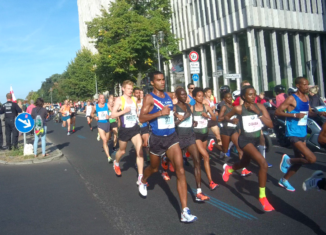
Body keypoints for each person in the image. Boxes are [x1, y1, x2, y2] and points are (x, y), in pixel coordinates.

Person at [139, 71, 197, 223]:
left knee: (181, 171)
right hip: (157, 139)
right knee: (153, 168)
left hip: (171, 137)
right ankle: (143, 180)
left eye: (163, 79)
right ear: (152, 82)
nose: (162, 82)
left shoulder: (170, 96)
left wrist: (175, 115)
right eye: (158, 80)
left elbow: (173, 110)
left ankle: (184, 211)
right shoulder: (149, 98)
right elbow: (141, 118)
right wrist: (159, 113)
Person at [222, 85, 275, 212]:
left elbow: (271, 124)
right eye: (250, 94)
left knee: (245, 163)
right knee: (263, 164)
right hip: (245, 140)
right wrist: (233, 120)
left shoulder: (260, 107)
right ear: (244, 97)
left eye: (254, 94)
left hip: (256, 140)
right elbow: (226, 117)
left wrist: (259, 113)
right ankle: (262, 197)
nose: (253, 96)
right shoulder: (238, 109)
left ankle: (229, 169)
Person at [275, 77, 324, 192]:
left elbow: (309, 113)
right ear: (298, 85)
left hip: (302, 132)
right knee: (311, 159)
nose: (307, 87)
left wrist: (319, 114)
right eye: (304, 85)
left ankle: (284, 180)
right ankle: (288, 160)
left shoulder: (306, 97)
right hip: (293, 133)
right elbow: (278, 112)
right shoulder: (292, 98)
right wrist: (294, 115)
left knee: (300, 160)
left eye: (307, 84)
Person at [174, 87, 210, 201]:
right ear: (177, 96)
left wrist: (192, 122)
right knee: (179, 168)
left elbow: (190, 120)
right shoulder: (174, 108)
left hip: (190, 137)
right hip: (178, 137)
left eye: (185, 94)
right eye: (182, 95)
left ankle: (199, 192)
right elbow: (171, 124)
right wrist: (182, 119)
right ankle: (165, 162)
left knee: (197, 161)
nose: (185, 96)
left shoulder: (189, 107)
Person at [111, 80, 144, 184]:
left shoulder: (134, 99)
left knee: (140, 151)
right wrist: (124, 111)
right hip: (124, 130)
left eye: (131, 89)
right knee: (122, 151)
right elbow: (113, 115)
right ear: (123, 89)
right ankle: (116, 163)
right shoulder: (119, 100)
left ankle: (140, 177)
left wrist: (139, 119)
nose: (130, 91)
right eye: (128, 89)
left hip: (134, 129)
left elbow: (136, 112)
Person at [191, 87, 219, 190]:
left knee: (200, 157)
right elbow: (187, 120)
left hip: (205, 135)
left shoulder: (206, 107)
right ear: (194, 97)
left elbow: (215, 118)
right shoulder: (191, 108)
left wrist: (207, 116)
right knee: (206, 156)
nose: (201, 97)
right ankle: (211, 182)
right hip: (196, 136)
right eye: (199, 96)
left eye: (202, 95)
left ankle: (196, 164)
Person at [217, 92, 252, 177]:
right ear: (224, 99)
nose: (230, 99)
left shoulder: (233, 107)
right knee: (224, 150)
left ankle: (244, 169)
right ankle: (213, 144)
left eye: (230, 97)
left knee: (240, 148)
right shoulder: (224, 107)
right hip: (225, 130)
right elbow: (219, 119)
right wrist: (230, 120)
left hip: (233, 130)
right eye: (228, 98)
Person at [91, 94, 113, 163]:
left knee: (107, 139)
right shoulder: (95, 106)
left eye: (103, 98)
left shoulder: (107, 105)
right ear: (98, 99)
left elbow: (113, 112)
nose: (103, 99)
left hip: (107, 124)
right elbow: (91, 114)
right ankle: (109, 157)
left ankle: (104, 144)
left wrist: (109, 116)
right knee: (105, 140)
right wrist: (95, 117)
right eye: (101, 98)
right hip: (100, 124)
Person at [134, 88, 150, 162]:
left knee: (146, 143)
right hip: (136, 125)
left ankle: (147, 155)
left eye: (141, 93)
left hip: (144, 124)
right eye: (139, 93)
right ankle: (139, 158)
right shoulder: (133, 102)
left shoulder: (144, 102)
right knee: (138, 145)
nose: (140, 95)